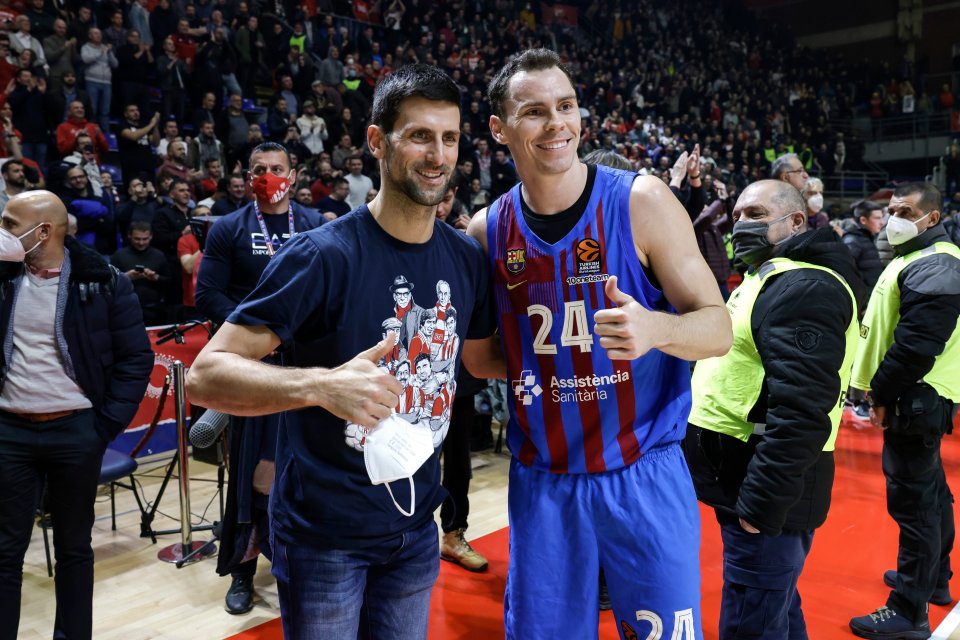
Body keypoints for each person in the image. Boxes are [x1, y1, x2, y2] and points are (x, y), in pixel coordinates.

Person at [186, 64, 494, 638]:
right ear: (377, 141)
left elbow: (480, 360)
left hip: (415, 527)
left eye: (449, 138)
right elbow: (205, 377)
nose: (438, 155)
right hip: (324, 538)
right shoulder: (320, 255)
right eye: (420, 135)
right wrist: (319, 386)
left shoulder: (465, 258)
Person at [463, 49, 731, 640]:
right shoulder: (486, 231)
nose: (557, 123)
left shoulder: (643, 201)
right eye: (534, 111)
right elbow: (481, 359)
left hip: (644, 471)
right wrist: (552, 356)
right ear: (499, 129)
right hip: (545, 482)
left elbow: (718, 329)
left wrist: (658, 329)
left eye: (566, 106)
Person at [683, 180, 862, 640]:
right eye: (738, 214)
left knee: (752, 618)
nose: (741, 224)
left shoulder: (804, 286)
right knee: (774, 606)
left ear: (795, 221)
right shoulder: (771, 274)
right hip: (745, 476)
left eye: (756, 214)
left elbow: (802, 409)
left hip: (765, 489)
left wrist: (761, 505)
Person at [0, 190, 153, 640]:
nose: (3, 231)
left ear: (42, 231)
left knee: (73, 548)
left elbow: (135, 360)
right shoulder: (3, 278)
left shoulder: (104, 281)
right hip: (9, 431)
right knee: (4, 552)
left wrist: (102, 428)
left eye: (10, 223)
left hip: (76, 432)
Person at [194, 141, 324, 615]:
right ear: (246, 176)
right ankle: (244, 571)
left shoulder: (314, 225)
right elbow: (207, 293)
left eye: (277, 168)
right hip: (251, 372)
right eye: (258, 169)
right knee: (252, 473)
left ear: (295, 173)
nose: (268, 176)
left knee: (308, 466)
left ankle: (303, 561)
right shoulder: (229, 228)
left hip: (306, 370)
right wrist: (257, 338)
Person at [848, 182, 960, 640]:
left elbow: (915, 346)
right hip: (923, 396)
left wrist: (879, 394)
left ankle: (908, 611)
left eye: (905, 209)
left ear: (931, 217)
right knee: (932, 492)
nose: (894, 216)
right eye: (891, 208)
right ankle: (934, 580)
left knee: (914, 503)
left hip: (916, 395)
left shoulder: (936, 261)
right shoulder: (918, 258)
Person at [842, 200, 885, 289]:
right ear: (863, 220)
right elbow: (845, 270)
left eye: (882, 218)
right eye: (877, 218)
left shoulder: (867, 237)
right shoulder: (852, 240)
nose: (882, 222)